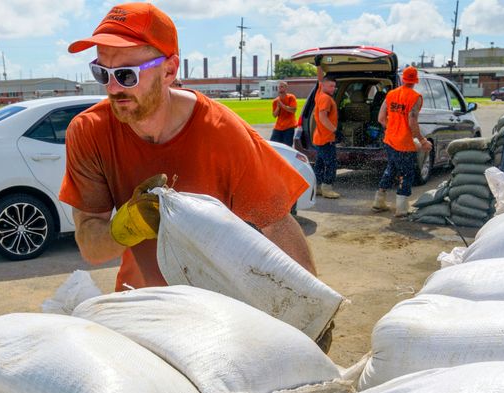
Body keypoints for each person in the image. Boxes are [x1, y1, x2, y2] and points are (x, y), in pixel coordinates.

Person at [59, 2, 315, 295]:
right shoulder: (89, 131)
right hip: (140, 303)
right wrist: (128, 225)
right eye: (102, 73)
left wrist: (313, 308)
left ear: (169, 70)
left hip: (220, 309)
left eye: (127, 75)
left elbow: (277, 222)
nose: (113, 88)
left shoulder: (222, 132)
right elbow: (91, 247)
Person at [373, 66, 431, 217]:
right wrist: (423, 140)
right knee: (406, 174)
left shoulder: (391, 94)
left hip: (390, 140)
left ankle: (379, 200)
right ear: (415, 81)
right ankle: (402, 208)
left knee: (391, 168)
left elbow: (380, 118)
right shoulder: (415, 97)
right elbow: (412, 122)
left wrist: (392, 128)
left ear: (403, 79)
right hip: (404, 144)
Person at [311, 63, 341, 199]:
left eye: (334, 86)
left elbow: (319, 79)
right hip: (326, 138)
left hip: (319, 138)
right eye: (331, 86)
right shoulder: (326, 98)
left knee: (319, 164)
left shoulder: (319, 93)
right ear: (324, 86)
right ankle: (327, 188)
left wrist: (318, 66)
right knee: (331, 164)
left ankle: (317, 187)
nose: (333, 88)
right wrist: (336, 131)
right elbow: (323, 117)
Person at [269, 81, 297, 146]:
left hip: (289, 126)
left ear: (286, 88)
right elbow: (274, 115)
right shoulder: (275, 101)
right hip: (278, 127)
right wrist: (278, 107)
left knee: (287, 146)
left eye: (282, 86)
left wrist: (282, 106)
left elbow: (293, 110)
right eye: (279, 87)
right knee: (274, 145)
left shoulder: (291, 97)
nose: (280, 88)